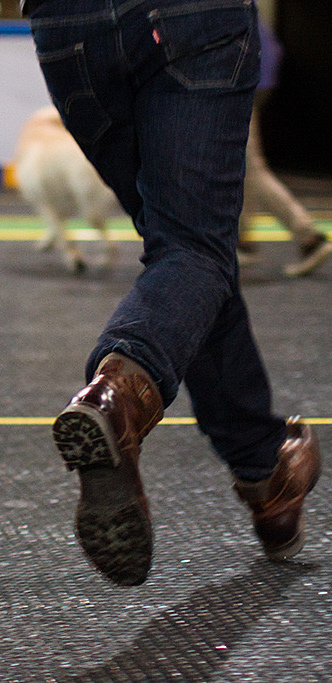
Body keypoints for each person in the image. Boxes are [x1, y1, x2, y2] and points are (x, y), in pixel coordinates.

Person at [22, 0, 321, 586]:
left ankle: (265, 474)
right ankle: (119, 396)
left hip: (69, 28)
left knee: (186, 253)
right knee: (193, 247)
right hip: (192, 19)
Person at [237, 19, 332, 277]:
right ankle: (242, 241)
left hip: (239, 83)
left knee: (250, 168)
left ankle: (309, 238)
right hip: (251, 80)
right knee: (243, 165)